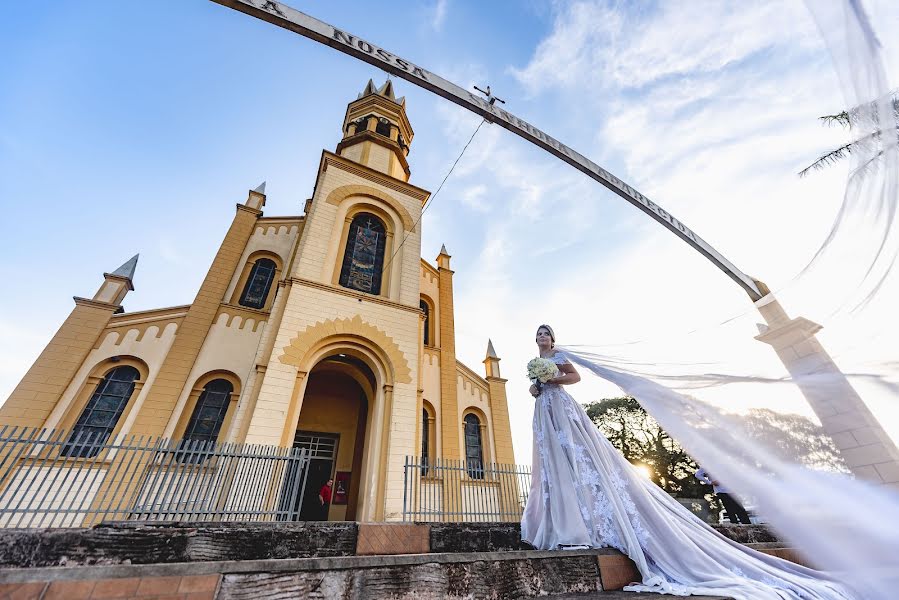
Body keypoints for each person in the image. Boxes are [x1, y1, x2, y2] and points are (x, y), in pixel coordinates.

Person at [521, 324, 853, 599]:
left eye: (545, 335)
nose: (542, 339)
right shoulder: (535, 363)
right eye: (538, 336)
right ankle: (561, 521)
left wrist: (552, 379)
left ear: (554, 338)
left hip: (562, 410)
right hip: (544, 409)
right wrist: (537, 387)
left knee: (577, 457)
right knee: (553, 464)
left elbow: (574, 378)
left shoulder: (559, 356)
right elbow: (538, 388)